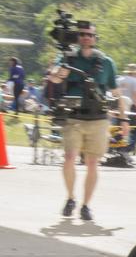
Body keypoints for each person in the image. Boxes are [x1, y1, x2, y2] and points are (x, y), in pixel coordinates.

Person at [45, 21, 126, 222]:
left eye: (89, 34)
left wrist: (123, 118)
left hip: (98, 118)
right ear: (77, 37)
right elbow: (54, 79)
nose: (86, 37)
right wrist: (58, 74)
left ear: (95, 37)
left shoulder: (106, 62)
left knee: (92, 163)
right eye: (82, 34)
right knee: (70, 157)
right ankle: (71, 197)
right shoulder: (67, 58)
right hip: (74, 117)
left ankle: (86, 205)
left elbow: (116, 92)